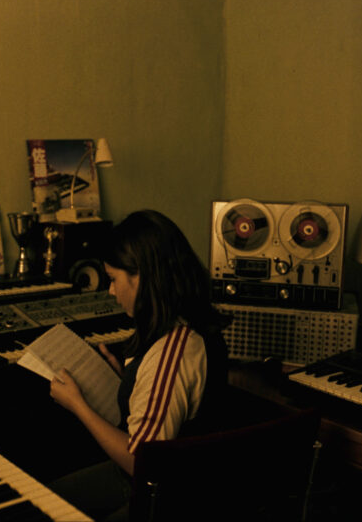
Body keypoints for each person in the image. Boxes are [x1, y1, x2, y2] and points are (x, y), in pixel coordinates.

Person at [47, 210, 230, 521]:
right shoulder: (178, 325)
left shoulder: (173, 350)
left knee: (42, 510)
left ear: (143, 276)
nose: (111, 291)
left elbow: (141, 460)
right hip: (148, 480)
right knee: (44, 498)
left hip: (162, 495)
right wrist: (125, 381)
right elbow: (159, 397)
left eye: (114, 279)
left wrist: (79, 406)